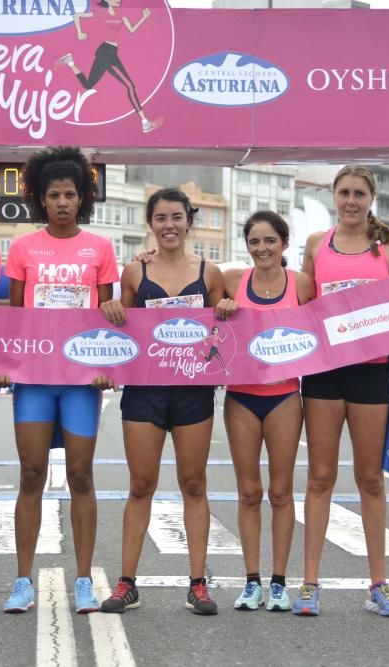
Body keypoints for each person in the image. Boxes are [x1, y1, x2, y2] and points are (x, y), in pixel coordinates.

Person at [2, 146, 119, 615]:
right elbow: (12, 321)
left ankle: (85, 580)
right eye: (54, 195)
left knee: (80, 477)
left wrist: (106, 366)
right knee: (30, 475)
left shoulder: (101, 248)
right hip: (33, 380)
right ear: (42, 200)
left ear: (83, 198)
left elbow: (107, 317)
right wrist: (8, 368)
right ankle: (23, 581)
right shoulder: (23, 248)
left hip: (79, 384)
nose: (63, 202)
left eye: (71, 194)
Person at [98, 188, 226, 616]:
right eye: (160, 218)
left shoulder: (210, 273)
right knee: (141, 486)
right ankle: (127, 583)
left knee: (194, 484)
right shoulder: (134, 272)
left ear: (189, 221)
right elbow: (121, 328)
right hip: (145, 393)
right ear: (149, 224)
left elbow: (222, 332)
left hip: (193, 393)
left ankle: (198, 584)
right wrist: (113, 307)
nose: (169, 225)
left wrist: (226, 307)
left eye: (176, 217)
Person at [295, 165, 389, 617]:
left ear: (371, 198)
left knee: (369, 480)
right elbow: (300, 302)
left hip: (370, 374)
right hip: (324, 373)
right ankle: (309, 584)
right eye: (343, 192)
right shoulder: (316, 245)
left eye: (358, 193)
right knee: (320, 477)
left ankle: (379, 584)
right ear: (333, 195)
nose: (350, 201)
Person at [218, 211, 315, 612]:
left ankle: (279, 582)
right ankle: (252, 581)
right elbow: (195, 300)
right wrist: (222, 306)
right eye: (254, 242)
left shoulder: (303, 284)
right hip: (240, 395)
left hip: (285, 395)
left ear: (285, 244)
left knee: (279, 491)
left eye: (270, 241)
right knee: (248, 492)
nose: (262, 249)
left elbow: (328, 326)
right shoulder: (231, 281)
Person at [57, 0, 162, 133]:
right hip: (105, 52)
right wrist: (79, 32)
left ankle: (70, 61)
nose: (119, 0)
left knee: (88, 85)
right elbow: (77, 16)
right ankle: (145, 122)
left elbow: (132, 29)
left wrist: (144, 17)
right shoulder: (102, 13)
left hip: (111, 52)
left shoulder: (121, 14)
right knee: (130, 86)